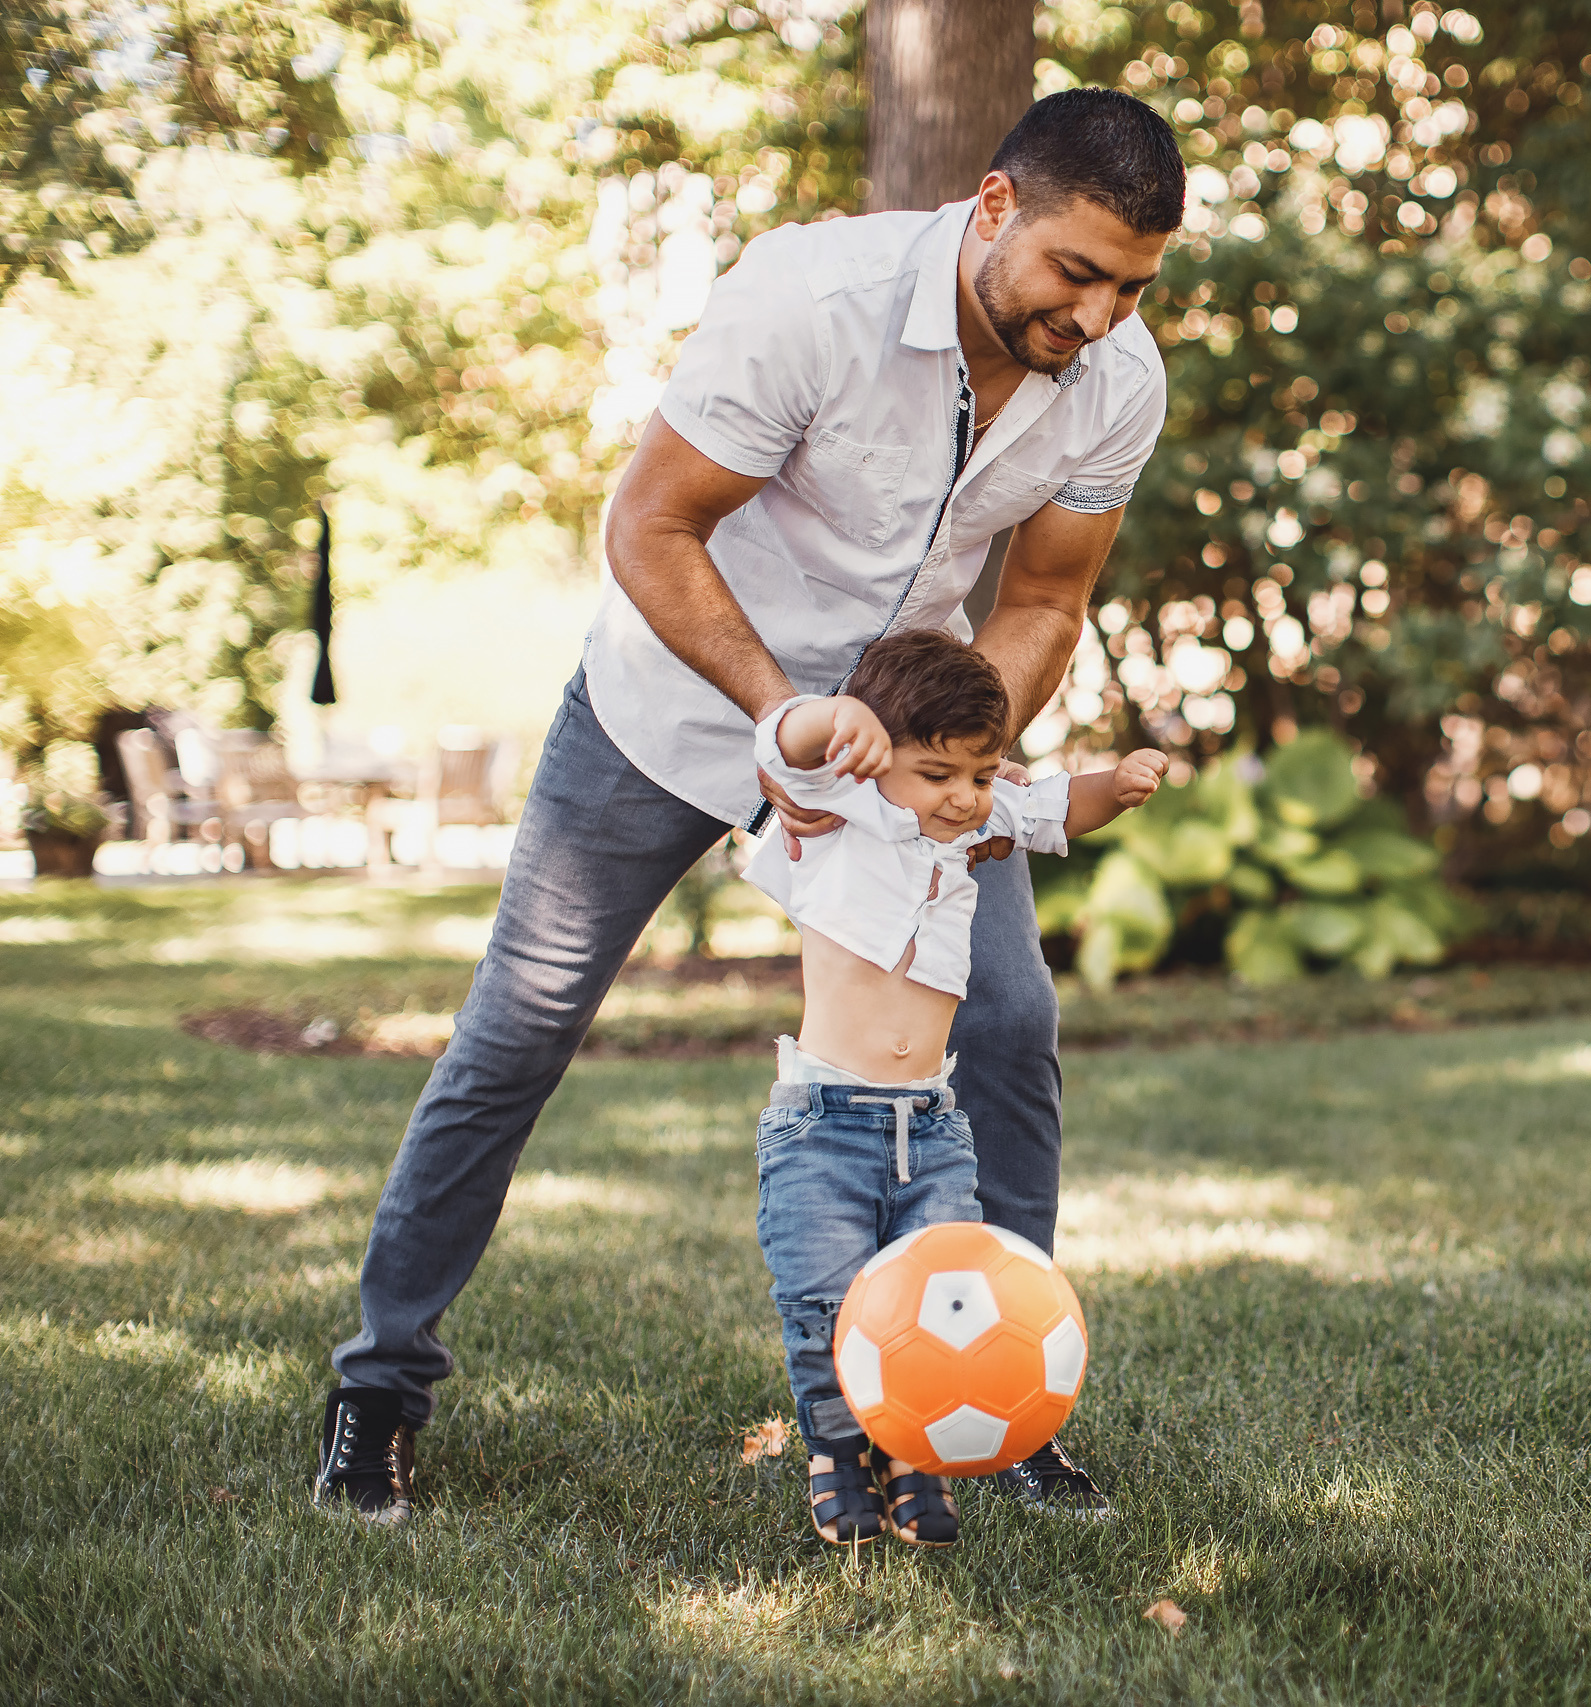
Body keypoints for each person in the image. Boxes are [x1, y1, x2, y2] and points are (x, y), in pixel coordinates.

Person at [312, 88, 1186, 1527]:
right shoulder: (810, 296)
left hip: (910, 748)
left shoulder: (1119, 378)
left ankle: (1008, 1401)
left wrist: (950, 764)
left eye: (1132, 286)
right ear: (989, 207)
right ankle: (379, 1385)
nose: (1096, 316)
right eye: (1073, 271)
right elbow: (650, 521)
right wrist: (783, 710)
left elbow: (1043, 598)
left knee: (1015, 1023)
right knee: (517, 1032)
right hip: (679, 705)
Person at [747, 630, 1166, 1548]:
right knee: (824, 1301)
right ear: (875, 757)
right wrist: (835, 718)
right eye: (938, 772)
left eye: (978, 773)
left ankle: (915, 1454)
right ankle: (836, 1451)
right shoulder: (834, 811)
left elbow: (1055, 806)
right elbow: (780, 740)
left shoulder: (978, 821)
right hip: (824, 1123)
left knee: (941, 1296)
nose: (963, 795)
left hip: (934, 1124)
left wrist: (1118, 784)